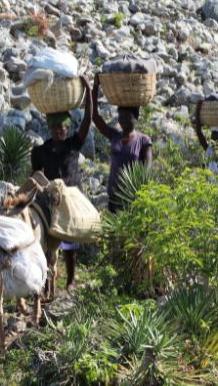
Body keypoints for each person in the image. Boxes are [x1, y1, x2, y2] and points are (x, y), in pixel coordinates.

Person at [30, 75, 92, 293]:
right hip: (51, 199)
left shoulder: (73, 144)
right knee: (48, 243)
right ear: (50, 128)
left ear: (67, 128)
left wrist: (89, 92)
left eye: (62, 127)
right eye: (55, 127)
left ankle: (71, 279)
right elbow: (35, 176)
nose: (59, 131)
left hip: (72, 197)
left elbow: (87, 121)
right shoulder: (41, 151)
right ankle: (47, 281)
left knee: (70, 243)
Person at [92, 75, 153, 213]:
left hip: (132, 199)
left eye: (127, 117)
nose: (123, 120)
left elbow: (147, 170)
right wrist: (95, 87)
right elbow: (95, 116)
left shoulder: (143, 140)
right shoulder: (114, 135)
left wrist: (140, 193)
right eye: (120, 116)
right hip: (113, 198)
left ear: (136, 118)